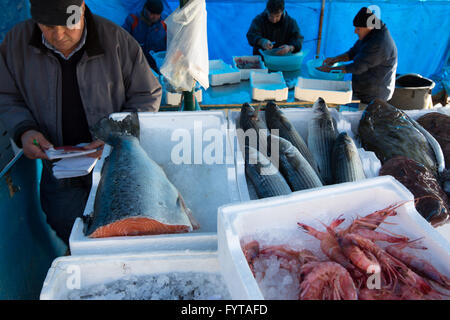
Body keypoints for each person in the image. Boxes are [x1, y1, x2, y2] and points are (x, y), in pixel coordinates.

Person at [0, 0, 162, 246]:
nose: (58, 35)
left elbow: (147, 94)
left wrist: (116, 136)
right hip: (58, 172)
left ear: (82, 9)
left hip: (114, 168)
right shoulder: (16, 43)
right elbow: (7, 95)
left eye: (67, 25)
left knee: (122, 236)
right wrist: (24, 130)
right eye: (47, 26)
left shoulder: (116, 40)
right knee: (73, 235)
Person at [317, 7, 398, 105]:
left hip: (375, 95)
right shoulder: (371, 33)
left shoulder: (379, 43)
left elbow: (358, 67)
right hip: (364, 88)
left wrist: (329, 70)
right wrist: (335, 59)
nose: (355, 31)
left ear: (369, 27)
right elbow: (353, 52)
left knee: (364, 118)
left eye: (358, 29)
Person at [122, 0, 167, 74]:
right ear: (145, 9)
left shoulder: (164, 23)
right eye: (152, 13)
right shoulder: (133, 20)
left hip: (157, 65)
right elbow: (122, 39)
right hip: (137, 64)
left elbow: (171, 42)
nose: (155, 17)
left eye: (158, 14)